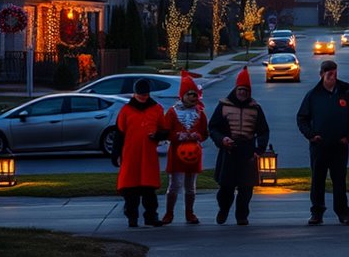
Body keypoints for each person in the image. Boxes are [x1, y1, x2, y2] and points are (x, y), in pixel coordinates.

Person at [297, 60, 349, 225]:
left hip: (339, 146)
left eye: (334, 72)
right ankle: (317, 212)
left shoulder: (345, 94)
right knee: (318, 180)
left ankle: (343, 213)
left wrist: (348, 137)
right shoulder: (313, 95)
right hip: (319, 146)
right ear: (321, 74)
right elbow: (302, 118)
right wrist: (311, 135)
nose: (332, 75)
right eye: (328, 72)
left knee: (339, 180)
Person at [210, 66, 270, 226]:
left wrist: (259, 149)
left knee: (246, 189)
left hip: (248, 152)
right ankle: (223, 210)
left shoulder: (255, 108)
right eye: (240, 89)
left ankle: (242, 216)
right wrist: (222, 140)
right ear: (236, 89)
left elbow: (263, 131)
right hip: (229, 150)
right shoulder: (224, 106)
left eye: (246, 90)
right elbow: (213, 127)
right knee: (226, 188)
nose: (243, 92)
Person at [113, 78, 168, 228]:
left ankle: (151, 216)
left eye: (145, 94)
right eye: (140, 95)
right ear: (134, 94)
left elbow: (164, 130)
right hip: (130, 154)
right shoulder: (126, 110)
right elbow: (119, 133)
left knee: (148, 189)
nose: (143, 97)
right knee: (131, 189)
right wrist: (116, 153)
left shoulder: (156, 109)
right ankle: (132, 217)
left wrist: (158, 136)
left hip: (148, 155)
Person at [161, 71, 208, 225]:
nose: (193, 98)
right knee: (174, 185)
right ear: (183, 96)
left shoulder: (200, 113)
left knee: (191, 186)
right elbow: (166, 132)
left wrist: (197, 136)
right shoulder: (172, 113)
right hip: (176, 153)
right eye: (189, 95)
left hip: (193, 152)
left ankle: (190, 213)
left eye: (195, 95)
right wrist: (177, 136)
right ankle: (169, 213)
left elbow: (204, 133)